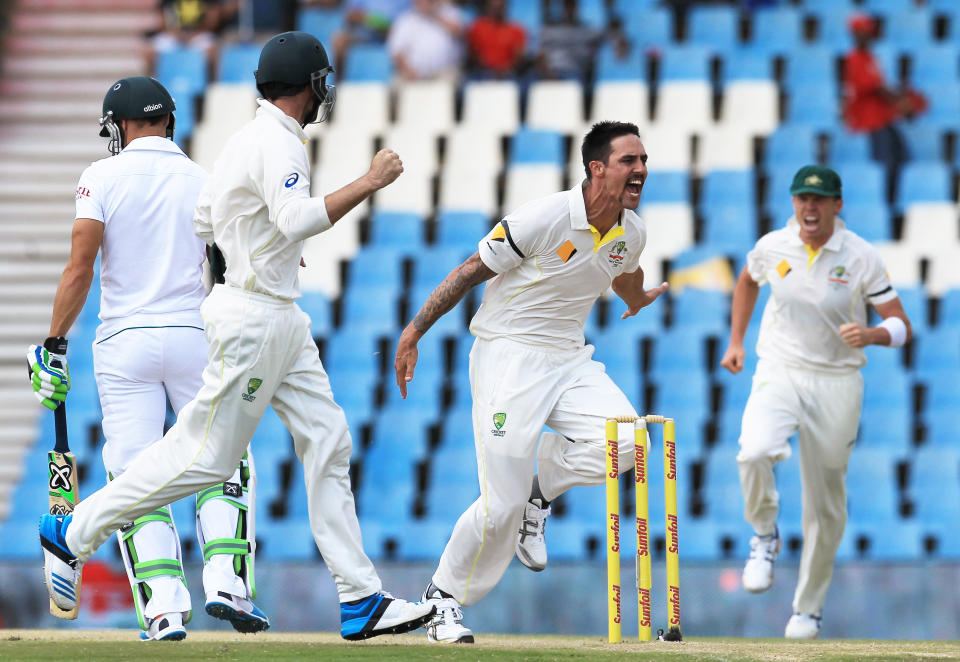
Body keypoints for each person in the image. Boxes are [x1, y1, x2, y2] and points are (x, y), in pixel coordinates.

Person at [38, 31, 435, 641]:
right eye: (323, 82)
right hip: (253, 317)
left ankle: (361, 599)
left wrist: (265, 243)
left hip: (278, 316)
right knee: (210, 459)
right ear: (314, 85)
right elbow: (295, 217)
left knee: (328, 438)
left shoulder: (248, 140)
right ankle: (74, 531)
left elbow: (210, 220)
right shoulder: (277, 143)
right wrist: (371, 179)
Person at [394, 121, 668, 643]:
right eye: (629, 161)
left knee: (632, 442)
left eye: (643, 160)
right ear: (596, 168)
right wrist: (414, 331)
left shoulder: (632, 230)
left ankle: (541, 490)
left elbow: (622, 269)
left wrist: (636, 299)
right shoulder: (543, 217)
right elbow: (472, 268)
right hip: (507, 357)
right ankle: (441, 600)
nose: (640, 170)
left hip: (568, 359)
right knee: (501, 505)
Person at [27, 75, 268, 641]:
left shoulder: (99, 176)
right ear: (169, 121)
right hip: (195, 334)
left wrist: (54, 343)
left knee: (136, 474)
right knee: (222, 458)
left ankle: (162, 608)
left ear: (118, 125)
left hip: (125, 342)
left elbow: (80, 266)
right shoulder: (201, 178)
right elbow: (233, 260)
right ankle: (229, 584)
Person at [719, 165, 912, 639]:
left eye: (819, 199)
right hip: (780, 367)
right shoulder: (772, 246)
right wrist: (736, 341)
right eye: (802, 198)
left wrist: (871, 334)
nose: (809, 207)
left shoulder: (861, 256)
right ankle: (764, 535)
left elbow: (902, 325)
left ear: (836, 205)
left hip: (838, 381)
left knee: (825, 504)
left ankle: (807, 609)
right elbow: (747, 280)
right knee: (754, 450)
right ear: (793, 202)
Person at [841, 13, 925, 202]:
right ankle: (886, 201)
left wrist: (903, 100)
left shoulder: (870, 58)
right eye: (862, 32)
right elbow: (875, 88)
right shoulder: (854, 59)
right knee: (887, 162)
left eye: (868, 31)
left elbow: (881, 87)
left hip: (882, 119)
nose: (867, 35)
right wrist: (902, 102)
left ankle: (897, 200)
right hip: (868, 121)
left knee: (903, 156)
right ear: (855, 34)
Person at [387, 0, 464, 81]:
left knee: (452, 80)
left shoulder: (450, 13)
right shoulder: (405, 20)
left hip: (444, 72)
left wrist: (433, 14)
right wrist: (408, 71)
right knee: (396, 83)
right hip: (411, 73)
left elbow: (457, 31)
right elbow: (397, 52)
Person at [465, 0, 526, 79]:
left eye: (501, 6)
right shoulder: (477, 27)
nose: (498, 9)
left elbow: (519, 57)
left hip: (508, 73)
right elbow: (472, 54)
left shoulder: (516, 29)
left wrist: (503, 69)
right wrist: (489, 68)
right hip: (482, 72)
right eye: (495, 6)